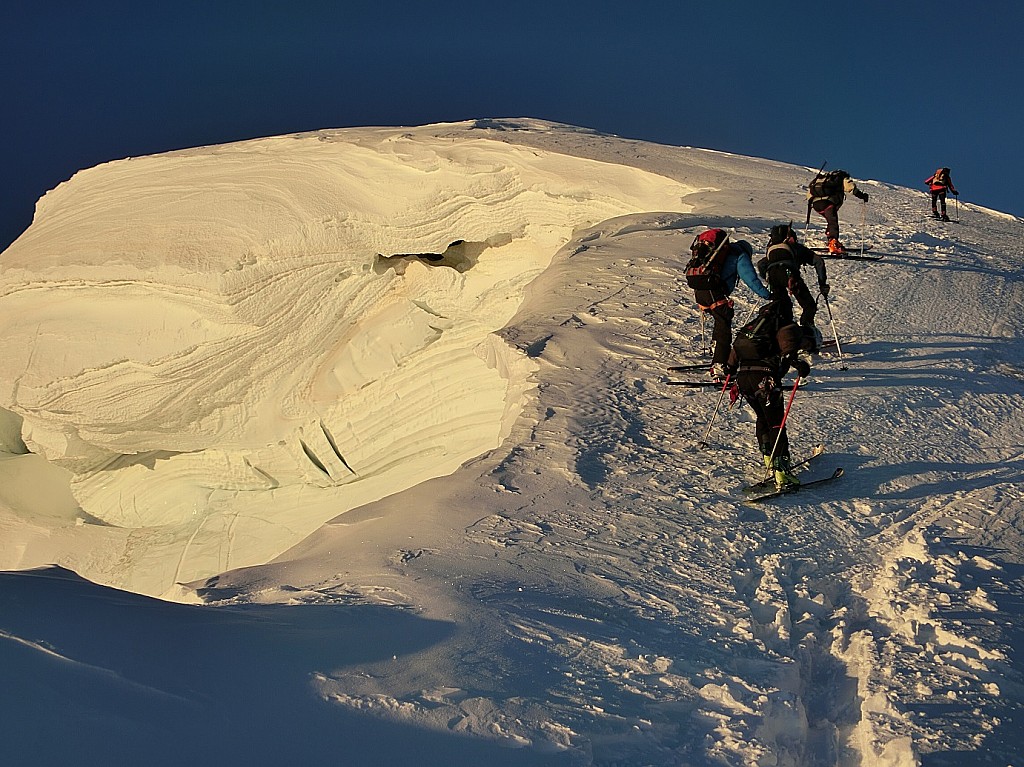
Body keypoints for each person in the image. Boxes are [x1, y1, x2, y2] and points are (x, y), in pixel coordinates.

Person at [726, 301, 811, 490]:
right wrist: (800, 366)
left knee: (763, 418)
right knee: (776, 423)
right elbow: (789, 352)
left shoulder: (750, 328)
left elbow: (732, 358)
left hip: (743, 380)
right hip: (765, 380)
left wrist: (729, 370)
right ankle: (782, 472)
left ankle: (767, 457)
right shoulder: (783, 327)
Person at [685, 228, 772, 381]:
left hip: (700, 289)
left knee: (720, 320)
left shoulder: (715, 255)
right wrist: (767, 295)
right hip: (714, 291)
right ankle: (719, 365)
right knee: (724, 323)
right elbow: (750, 279)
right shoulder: (739, 255)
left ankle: (717, 348)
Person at [756, 223, 829, 351]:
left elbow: (761, 265)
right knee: (809, 305)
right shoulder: (795, 247)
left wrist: (767, 278)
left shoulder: (771, 249)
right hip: (790, 275)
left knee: (783, 309)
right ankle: (807, 336)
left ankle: (785, 338)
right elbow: (818, 261)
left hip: (773, 276)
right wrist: (822, 284)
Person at [807, 169, 869, 254]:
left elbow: (809, 193)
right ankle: (833, 244)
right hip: (828, 203)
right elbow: (851, 187)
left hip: (816, 205)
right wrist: (862, 196)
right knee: (833, 222)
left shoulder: (822, 180)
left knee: (830, 221)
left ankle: (831, 240)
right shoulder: (841, 178)